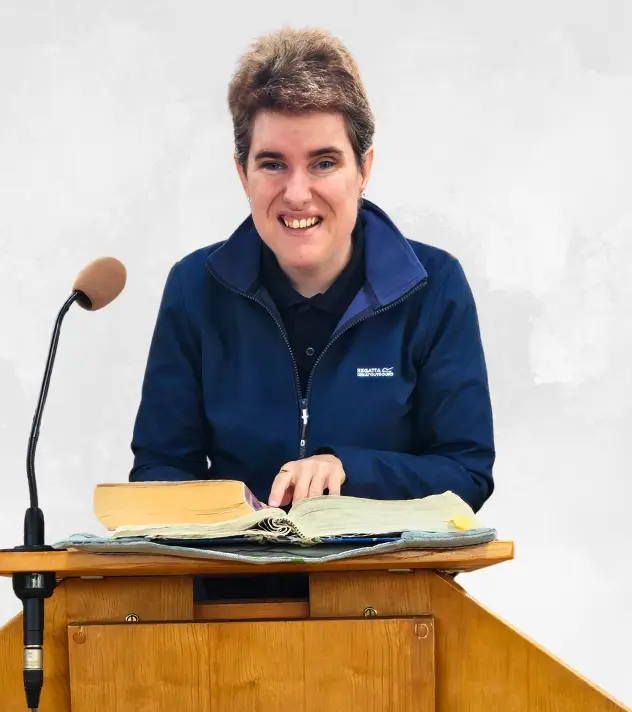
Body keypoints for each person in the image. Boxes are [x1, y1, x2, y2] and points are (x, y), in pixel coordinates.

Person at [128, 28, 495, 597]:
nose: (297, 193)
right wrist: (231, 517)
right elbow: (158, 475)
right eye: (273, 164)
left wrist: (348, 470)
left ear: (363, 169)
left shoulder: (436, 286)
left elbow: (467, 474)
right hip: (225, 616)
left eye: (324, 162)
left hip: (393, 610)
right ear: (241, 173)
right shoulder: (192, 289)